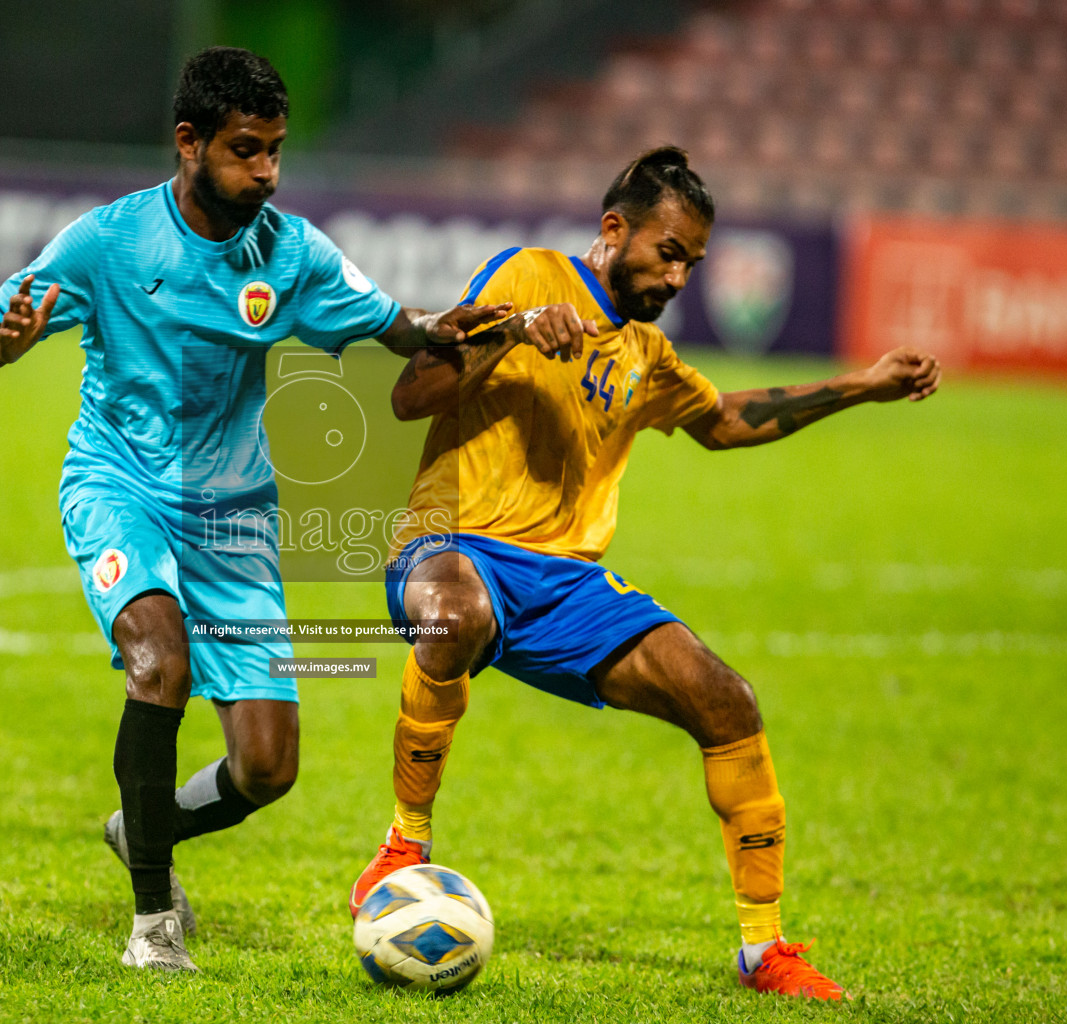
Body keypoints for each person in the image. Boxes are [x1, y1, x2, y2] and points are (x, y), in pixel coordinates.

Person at [0, 47, 511, 972]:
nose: (266, 172)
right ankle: (152, 927)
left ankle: (143, 831)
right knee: (157, 660)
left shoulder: (290, 252)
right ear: (188, 142)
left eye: (276, 151)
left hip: (234, 519)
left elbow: (405, 329)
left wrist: (487, 326)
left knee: (267, 768)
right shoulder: (109, 242)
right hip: (119, 486)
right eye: (246, 151)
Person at [348, 146, 942, 1001]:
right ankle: (407, 840)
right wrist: (511, 328)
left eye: (692, 263)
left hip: (568, 588)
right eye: (668, 252)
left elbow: (727, 421)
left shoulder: (648, 354)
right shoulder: (529, 274)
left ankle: (762, 949)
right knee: (456, 611)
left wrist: (863, 386)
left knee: (728, 700)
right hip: (449, 547)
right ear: (614, 230)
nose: (678, 276)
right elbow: (411, 394)